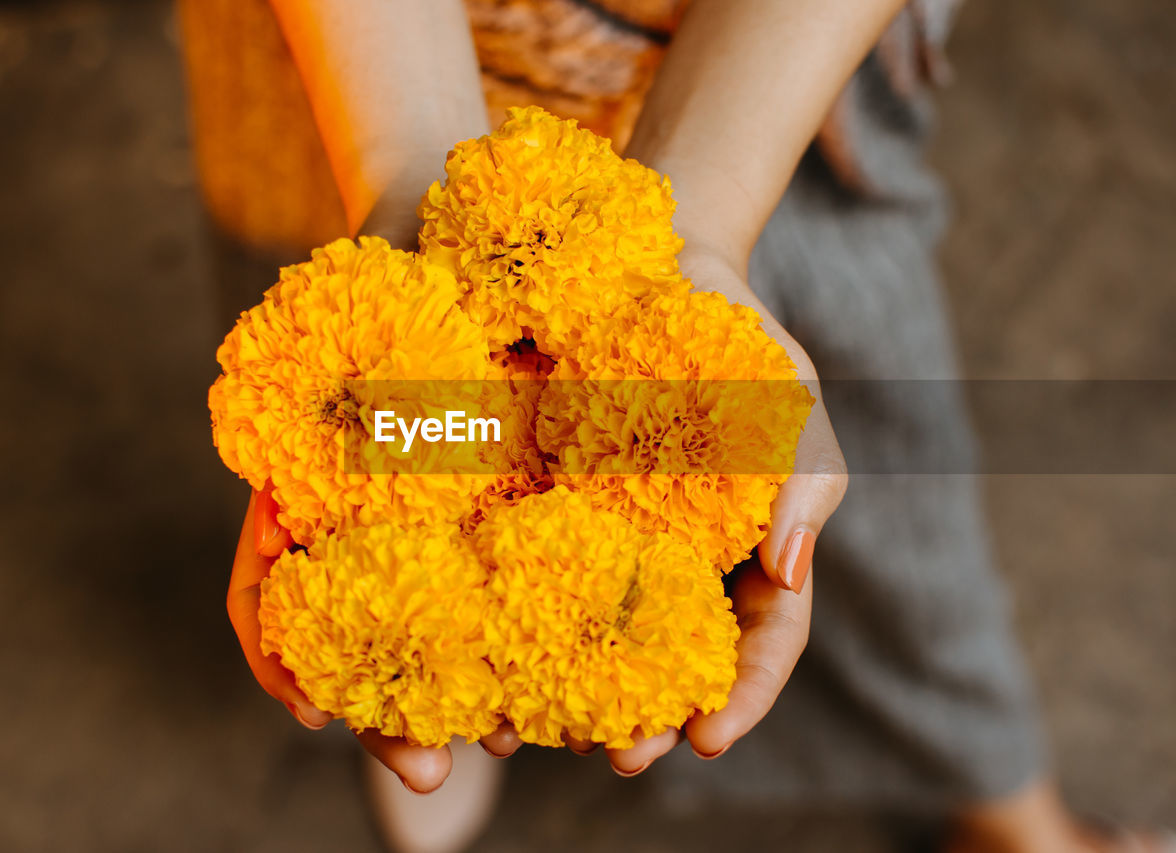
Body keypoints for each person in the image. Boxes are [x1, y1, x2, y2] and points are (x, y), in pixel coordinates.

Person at [182, 1, 1171, 851]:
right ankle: (457, 668)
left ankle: (1005, 799)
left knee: (894, 487)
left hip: (764, 75)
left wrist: (694, 230)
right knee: (373, 425)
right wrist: (413, 180)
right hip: (357, 57)